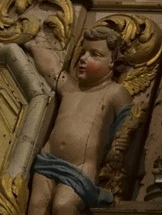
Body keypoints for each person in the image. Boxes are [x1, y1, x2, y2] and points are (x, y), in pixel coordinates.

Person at [24, 26, 134, 214]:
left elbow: (129, 122)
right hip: (48, 159)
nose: (83, 58)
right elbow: (51, 68)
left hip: (80, 167)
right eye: (83, 52)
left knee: (63, 206)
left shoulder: (115, 93)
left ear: (112, 62)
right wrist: (33, 45)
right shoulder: (69, 87)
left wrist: (119, 146)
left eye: (95, 54)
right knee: (36, 206)